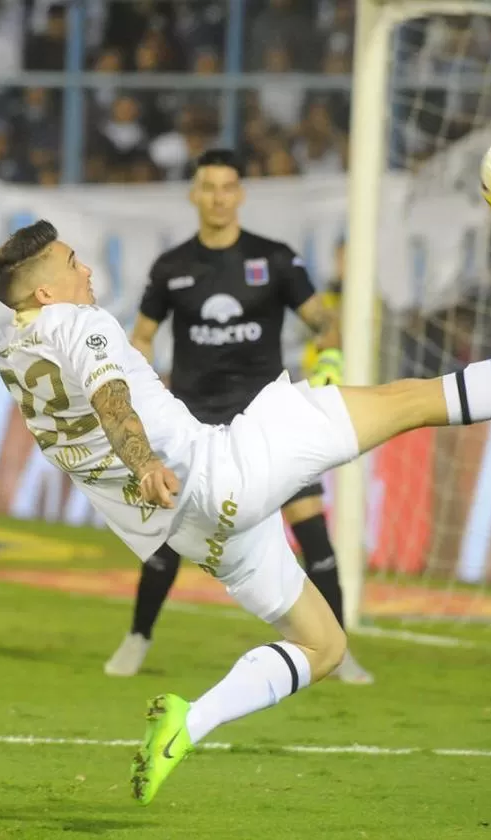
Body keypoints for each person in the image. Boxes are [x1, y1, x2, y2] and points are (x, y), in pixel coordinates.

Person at [0, 219, 491, 806]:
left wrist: (144, 458)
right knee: (413, 400)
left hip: (192, 528)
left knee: (325, 645)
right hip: (221, 470)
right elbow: (112, 398)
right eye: (73, 263)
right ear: (46, 291)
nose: (86, 270)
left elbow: (103, 397)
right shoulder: (78, 321)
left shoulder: (7, 349)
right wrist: (144, 459)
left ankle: (187, 725)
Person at [104, 148, 372, 684]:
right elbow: (143, 337)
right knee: (167, 537)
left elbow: (323, 322)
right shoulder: (172, 268)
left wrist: (333, 358)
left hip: (268, 424)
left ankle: (339, 648)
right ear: (194, 194)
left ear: (240, 194)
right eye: (209, 187)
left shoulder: (274, 260)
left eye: (228, 187)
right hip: (194, 426)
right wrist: (140, 374)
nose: (219, 197)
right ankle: (138, 637)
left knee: (312, 532)